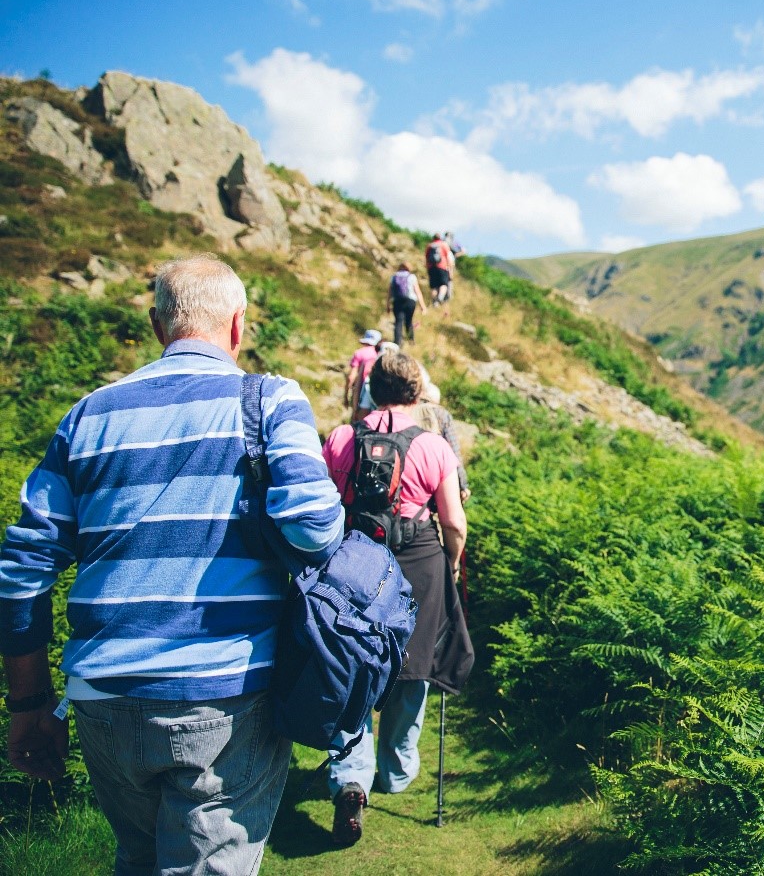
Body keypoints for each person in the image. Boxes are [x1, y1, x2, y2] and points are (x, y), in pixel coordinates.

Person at [0, 254, 345, 875]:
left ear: (157, 325)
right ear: (238, 325)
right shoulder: (270, 401)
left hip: (102, 697)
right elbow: (315, 527)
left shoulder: (87, 415)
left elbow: (23, 567)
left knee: (135, 859)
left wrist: (27, 703)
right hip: (225, 695)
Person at [320, 351, 473, 845]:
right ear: (415, 394)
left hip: (357, 559)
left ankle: (350, 776)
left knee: (352, 663)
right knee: (414, 664)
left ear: (370, 388)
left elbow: (324, 506)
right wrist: (452, 561)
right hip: (420, 561)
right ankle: (397, 771)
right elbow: (452, 520)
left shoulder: (342, 438)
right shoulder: (431, 446)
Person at [414, 372, 472, 504]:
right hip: (434, 479)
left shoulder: (408, 410)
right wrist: (463, 485)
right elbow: (454, 453)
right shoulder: (442, 414)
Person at [346, 328, 383, 421]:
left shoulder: (359, 353)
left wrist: (346, 395)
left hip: (360, 392)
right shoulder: (379, 355)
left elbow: (351, 377)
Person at [389, 261, 426, 346]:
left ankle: (397, 342)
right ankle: (411, 341)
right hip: (410, 301)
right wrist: (422, 306)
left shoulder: (394, 277)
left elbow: (389, 292)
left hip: (397, 301)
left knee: (398, 321)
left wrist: (388, 305)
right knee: (409, 321)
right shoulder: (411, 277)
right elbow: (417, 291)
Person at [425, 233, 454, 305]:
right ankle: (440, 298)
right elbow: (448, 258)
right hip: (442, 267)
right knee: (444, 284)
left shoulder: (429, 246)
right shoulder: (444, 245)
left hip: (431, 268)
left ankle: (435, 302)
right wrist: (450, 270)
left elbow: (426, 258)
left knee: (434, 286)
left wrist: (428, 268)